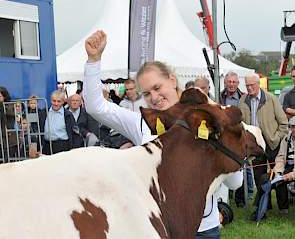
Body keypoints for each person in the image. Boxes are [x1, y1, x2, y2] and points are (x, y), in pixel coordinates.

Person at [83, 30, 243, 238]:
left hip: (203, 229)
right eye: (147, 93)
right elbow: (96, 107)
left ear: (173, 80)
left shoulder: (208, 119)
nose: (154, 97)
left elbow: (235, 181)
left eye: (158, 88)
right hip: (156, 229)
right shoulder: (141, 123)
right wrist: (93, 60)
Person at [239, 73, 288, 220]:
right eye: (247, 85)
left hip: (272, 142)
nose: (249, 88)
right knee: (259, 177)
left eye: (252, 85)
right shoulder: (243, 100)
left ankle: (283, 207)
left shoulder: (271, 99)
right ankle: (264, 208)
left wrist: (276, 137)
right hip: (255, 146)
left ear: (258, 84)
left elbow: (284, 123)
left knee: (278, 175)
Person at [220, 72, 252, 207]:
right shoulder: (220, 97)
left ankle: (244, 196)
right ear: (225, 83)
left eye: (234, 82)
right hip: (225, 137)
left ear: (238, 84)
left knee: (245, 166)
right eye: (229, 82)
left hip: (240, 136)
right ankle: (226, 195)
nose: (231, 84)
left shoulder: (244, 98)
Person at [38, 90, 81, 154]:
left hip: (62, 146)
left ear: (63, 102)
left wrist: (74, 149)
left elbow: (75, 133)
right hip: (47, 146)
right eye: (54, 101)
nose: (56, 103)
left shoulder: (68, 115)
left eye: (59, 101)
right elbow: (39, 130)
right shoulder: (43, 113)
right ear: (51, 100)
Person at [0, 87, 19, 162]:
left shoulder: (10, 105)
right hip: (1, 139)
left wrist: (1, 105)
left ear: (4, 97)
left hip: (9, 139)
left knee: (8, 163)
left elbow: (11, 113)